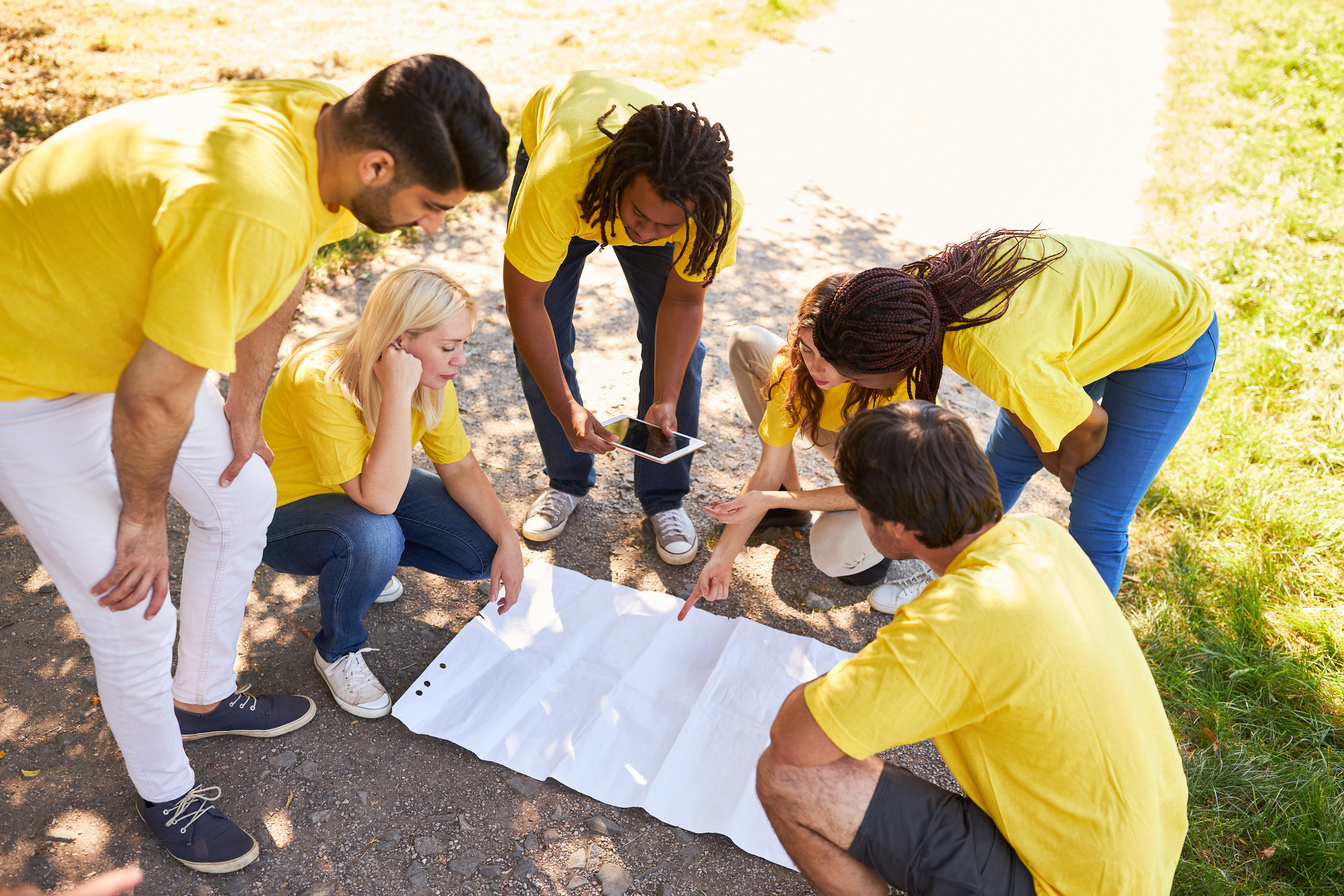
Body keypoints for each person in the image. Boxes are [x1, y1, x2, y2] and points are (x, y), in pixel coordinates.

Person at [0, 54, 509, 873]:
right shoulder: (256, 202)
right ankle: (166, 788)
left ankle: (198, 697)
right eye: (432, 205)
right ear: (379, 165)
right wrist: (140, 523)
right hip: (26, 377)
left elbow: (288, 270)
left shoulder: (325, 130)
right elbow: (151, 401)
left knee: (243, 495)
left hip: (126, 341)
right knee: (132, 605)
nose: (434, 229)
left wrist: (244, 396)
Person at [757, 402, 1188, 896]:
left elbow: (795, 739)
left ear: (895, 527)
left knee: (785, 776)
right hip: (1141, 853)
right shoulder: (1040, 536)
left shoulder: (951, 624)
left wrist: (856, 681)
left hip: (1070, 886)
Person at [809, 229, 1218, 594]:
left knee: (1099, 516)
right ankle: (953, 580)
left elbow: (1090, 428)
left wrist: (1067, 468)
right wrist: (1044, 445)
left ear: (895, 361)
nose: (851, 385)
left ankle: (1073, 647)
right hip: (1086, 325)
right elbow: (1024, 394)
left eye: (857, 379)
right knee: (994, 473)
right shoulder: (905, 304)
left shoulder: (998, 359)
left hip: (1171, 331)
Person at [261, 263, 524, 718]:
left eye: (463, 344)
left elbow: (459, 465)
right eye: (448, 346)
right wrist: (398, 396)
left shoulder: (433, 377)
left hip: (365, 491)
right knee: (376, 535)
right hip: (283, 516)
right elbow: (379, 500)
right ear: (399, 342)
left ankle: (360, 572)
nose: (460, 359)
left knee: (481, 552)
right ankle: (337, 648)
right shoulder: (320, 378)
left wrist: (509, 539)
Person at [504, 70, 743, 565]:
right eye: (639, 215)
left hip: (634, 184)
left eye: (666, 226)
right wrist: (568, 407)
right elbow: (525, 304)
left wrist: (667, 398)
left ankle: (664, 498)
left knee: (678, 353)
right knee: (540, 340)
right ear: (621, 178)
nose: (646, 233)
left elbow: (684, 302)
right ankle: (567, 479)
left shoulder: (713, 208)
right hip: (573, 173)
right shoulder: (559, 179)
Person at [678, 277, 934, 621]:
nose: (817, 368)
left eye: (830, 357)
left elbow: (873, 493)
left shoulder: (893, 386)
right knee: (748, 341)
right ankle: (789, 504)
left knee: (833, 556)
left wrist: (773, 499)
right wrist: (721, 558)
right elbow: (767, 472)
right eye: (807, 348)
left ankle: (886, 549)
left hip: (892, 488)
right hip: (847, 438)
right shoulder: (797, 368)